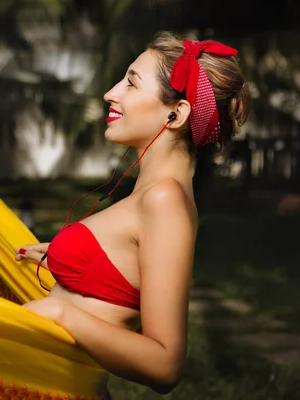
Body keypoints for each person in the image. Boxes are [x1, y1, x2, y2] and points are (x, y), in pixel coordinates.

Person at [14, 31, 250, 394]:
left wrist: (61, 314)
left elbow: (165, 364)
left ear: (176, 113)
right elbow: (122, 268)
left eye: (131, 83)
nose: (111, 93)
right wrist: (64, 255)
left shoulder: (164, 199)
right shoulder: (152, 193)